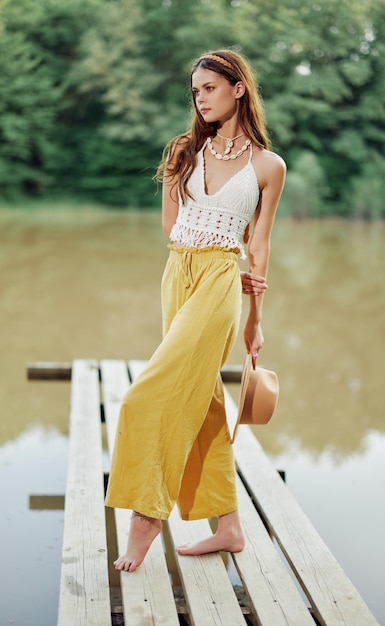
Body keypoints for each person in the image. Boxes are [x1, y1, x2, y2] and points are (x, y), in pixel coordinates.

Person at [105, 49, 286, 572]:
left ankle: (146, 518)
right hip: (176, 274)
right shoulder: (185, 150)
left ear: (238, 89)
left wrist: (255, 319)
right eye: (195, 90)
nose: (200, 97)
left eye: (209, 87)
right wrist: (187, 254)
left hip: (220, 280)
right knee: (202, 401)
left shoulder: (267, 167)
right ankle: (228, 528)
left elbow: (259, 248)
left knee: (147, 396)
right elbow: (170, 224)